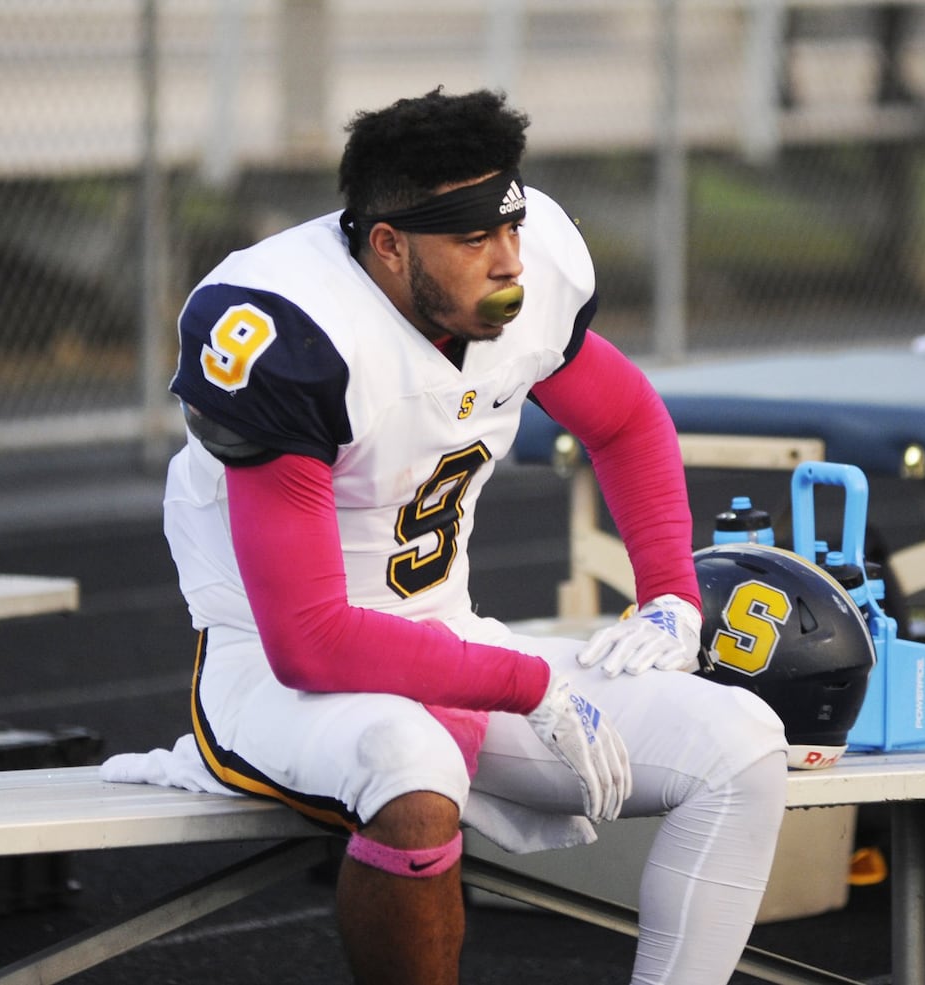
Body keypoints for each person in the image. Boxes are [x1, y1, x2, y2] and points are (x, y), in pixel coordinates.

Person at [126, 87, 789, 984]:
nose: (510, 260)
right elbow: (310, 642)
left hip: (446, 636)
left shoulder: (526, 268)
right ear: (388, 245)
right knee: (412, 762)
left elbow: (627, 418)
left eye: (511, 228)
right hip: (273, 673)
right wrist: (527, 684)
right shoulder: (289, 325)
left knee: (742, 742)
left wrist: (671, 594)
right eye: (475, 240)